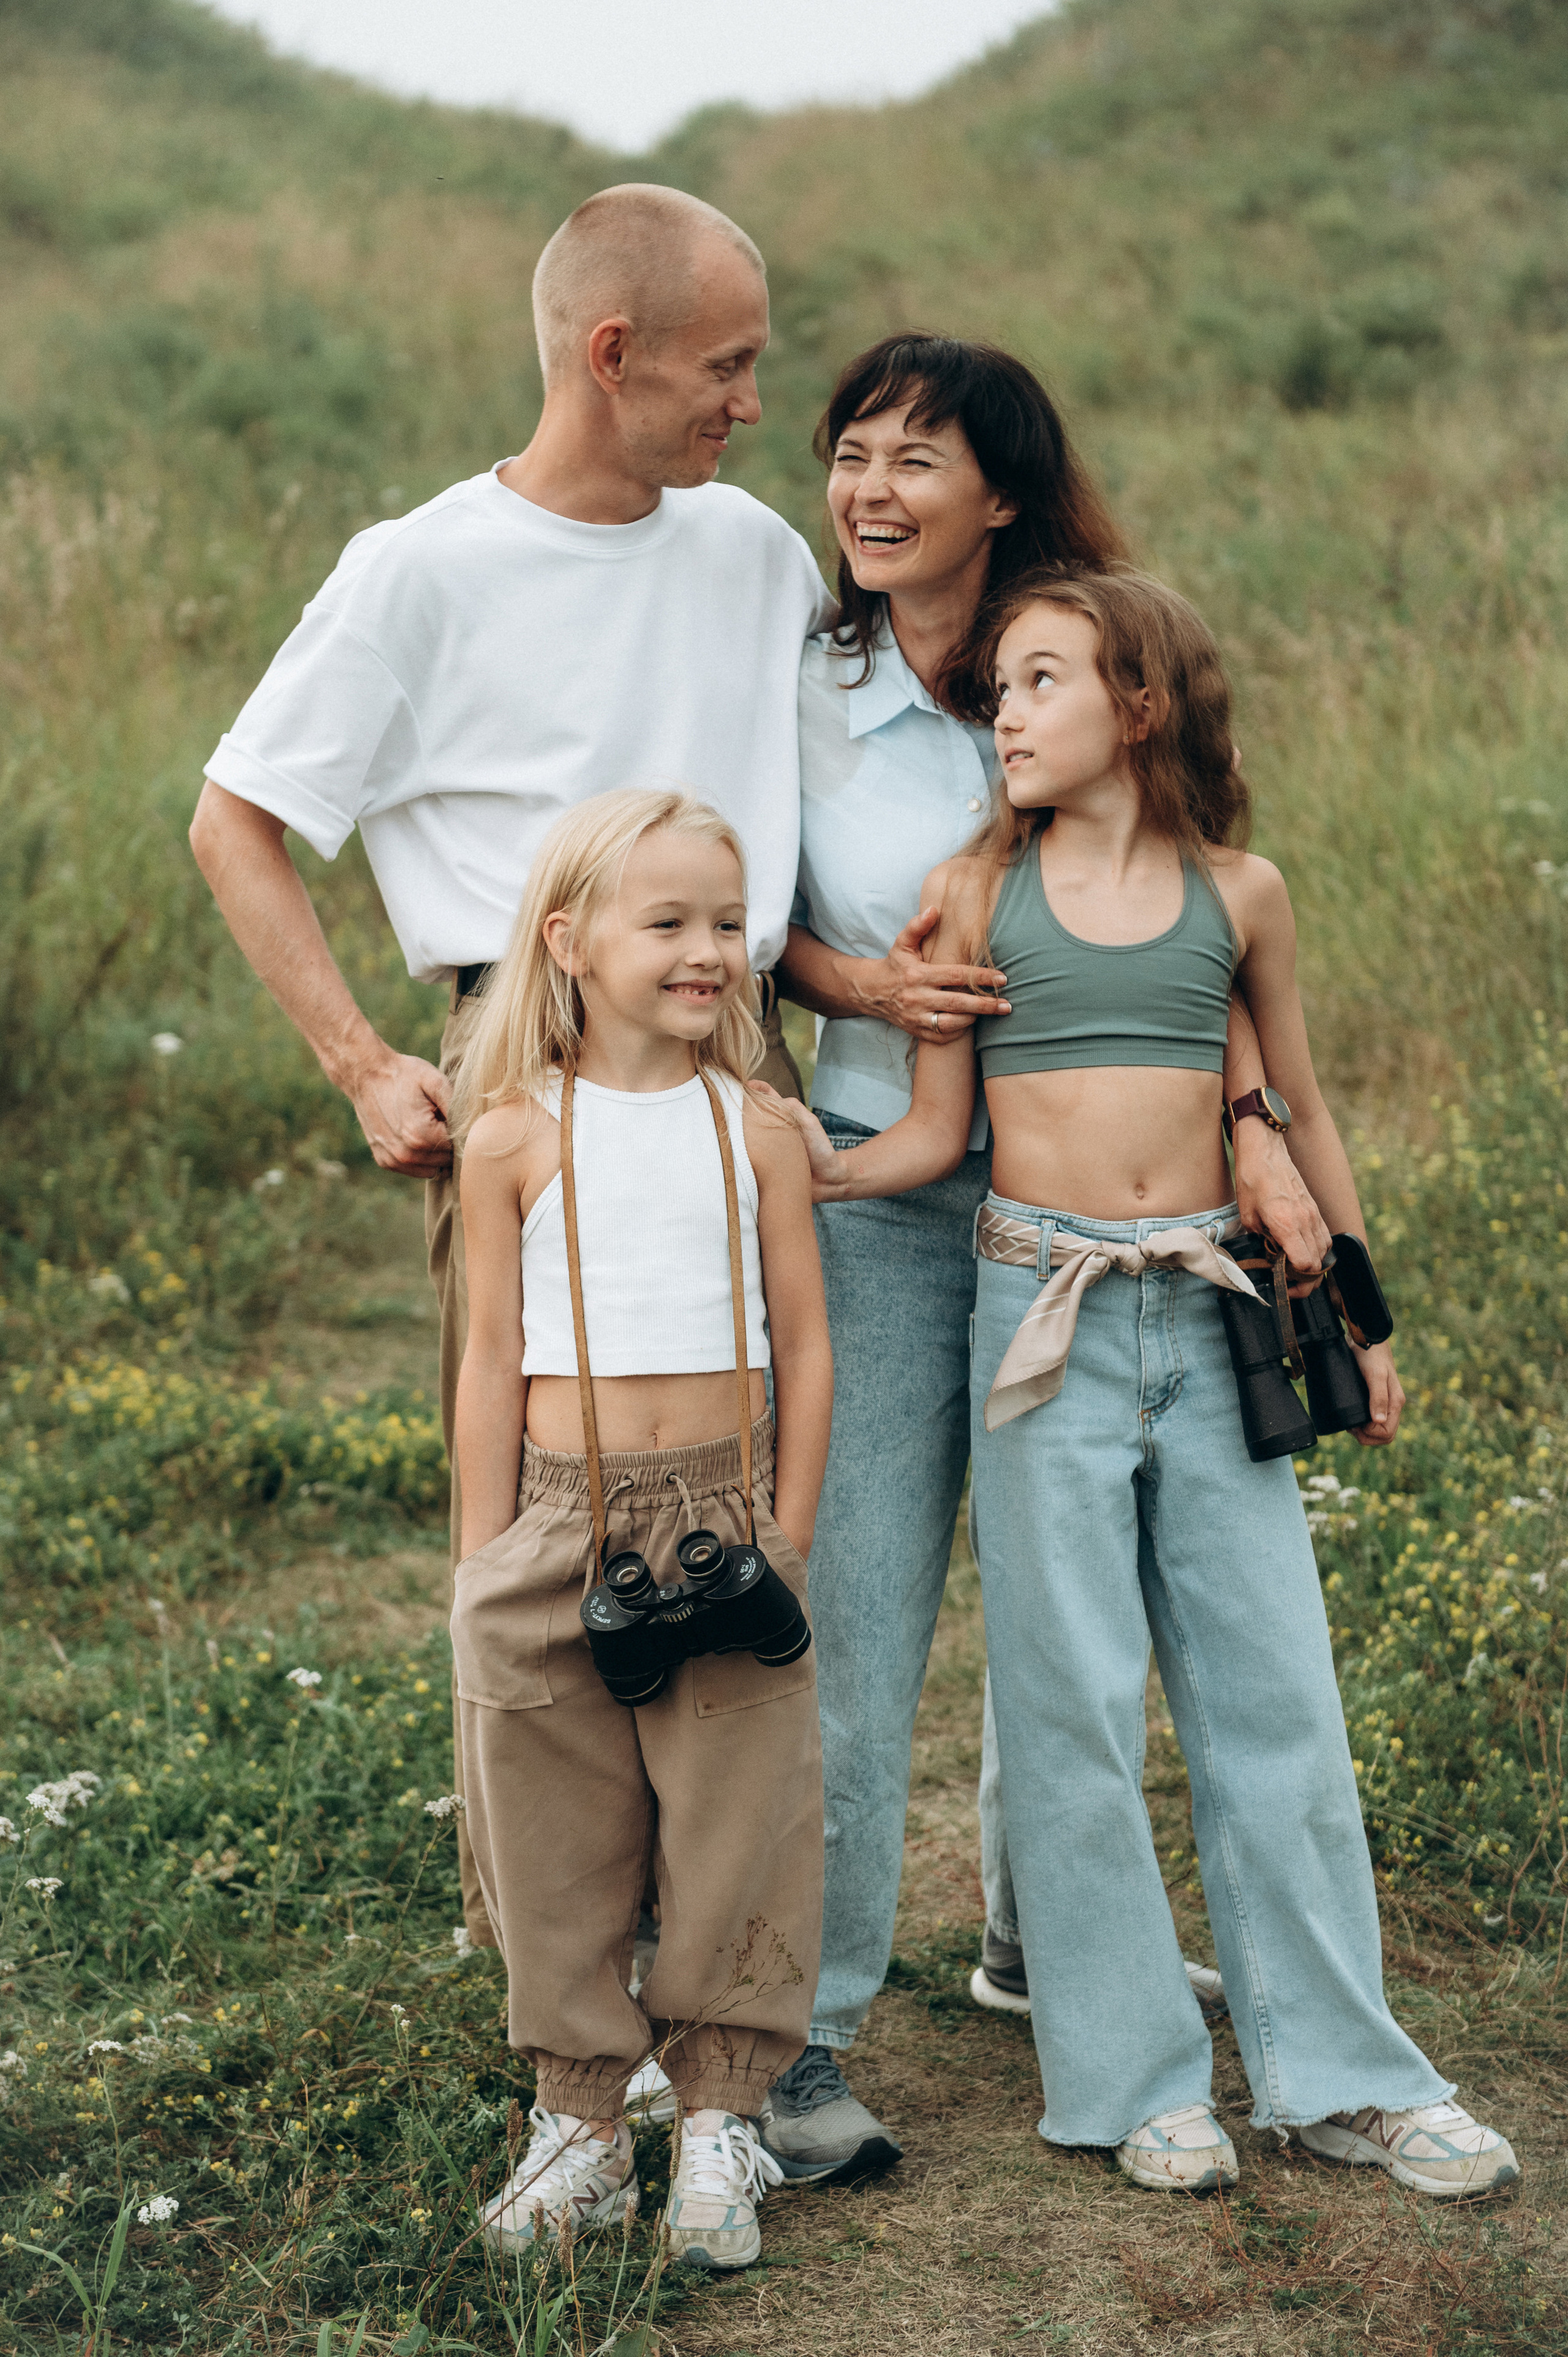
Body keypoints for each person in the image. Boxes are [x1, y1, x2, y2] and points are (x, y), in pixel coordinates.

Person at [768, 567, 1519, 2200]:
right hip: (1037, 1324)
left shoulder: (1241, 894)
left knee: (1274, 1691)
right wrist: (781, 1175)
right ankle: (1128, 2083)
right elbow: (924, 1136)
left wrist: (1367, 1316)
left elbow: (1302, 1111)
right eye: (1002, 689)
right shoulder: (979, 895)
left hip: (1210, 1310)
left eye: (1039, 683)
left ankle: (1340, 2073)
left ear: (1140, 708)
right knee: (1070, 1701)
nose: (1005, 715)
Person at [189, 184, 833, 1945]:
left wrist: (848, 973)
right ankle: (557, 1956)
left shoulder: (758, 550)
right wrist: (359, 1059)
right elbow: (237, 819)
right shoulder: (420, 569)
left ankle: (731, 1990)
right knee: (547, 1498)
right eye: (728, 365)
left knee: (735, 1451)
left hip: (743, 1041)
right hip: (521, 1042)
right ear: (611, 355)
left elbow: (788, 833)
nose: (750, 404)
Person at [764, 336, 1329, 2181]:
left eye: (916, 459)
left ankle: (1037, 1942)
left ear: (999, 491)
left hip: (1104, 1209)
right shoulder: (801, 678)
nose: (872, 490)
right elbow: (746, 910)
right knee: (855, 1613)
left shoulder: (1073, 653)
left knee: (1073, 1612)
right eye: (850, 453)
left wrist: (1252, 1126)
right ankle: (800, 2033)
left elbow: (1186, 915)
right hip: (885, 1165)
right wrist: (856, 983)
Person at [451, 789, 832, 2269]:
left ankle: (721, 2115)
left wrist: (785, 1528)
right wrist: (487, 1551)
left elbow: (802, 1341)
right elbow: (492, 1356)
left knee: (739, 1809)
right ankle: (585, 2122)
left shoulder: (755, 1129)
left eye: (726, 924)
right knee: (558, 1824)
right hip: (560, 1518)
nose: (708, 951)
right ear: (569, 942)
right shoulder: (510, 1138)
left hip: (726, 1513)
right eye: (667, 921)